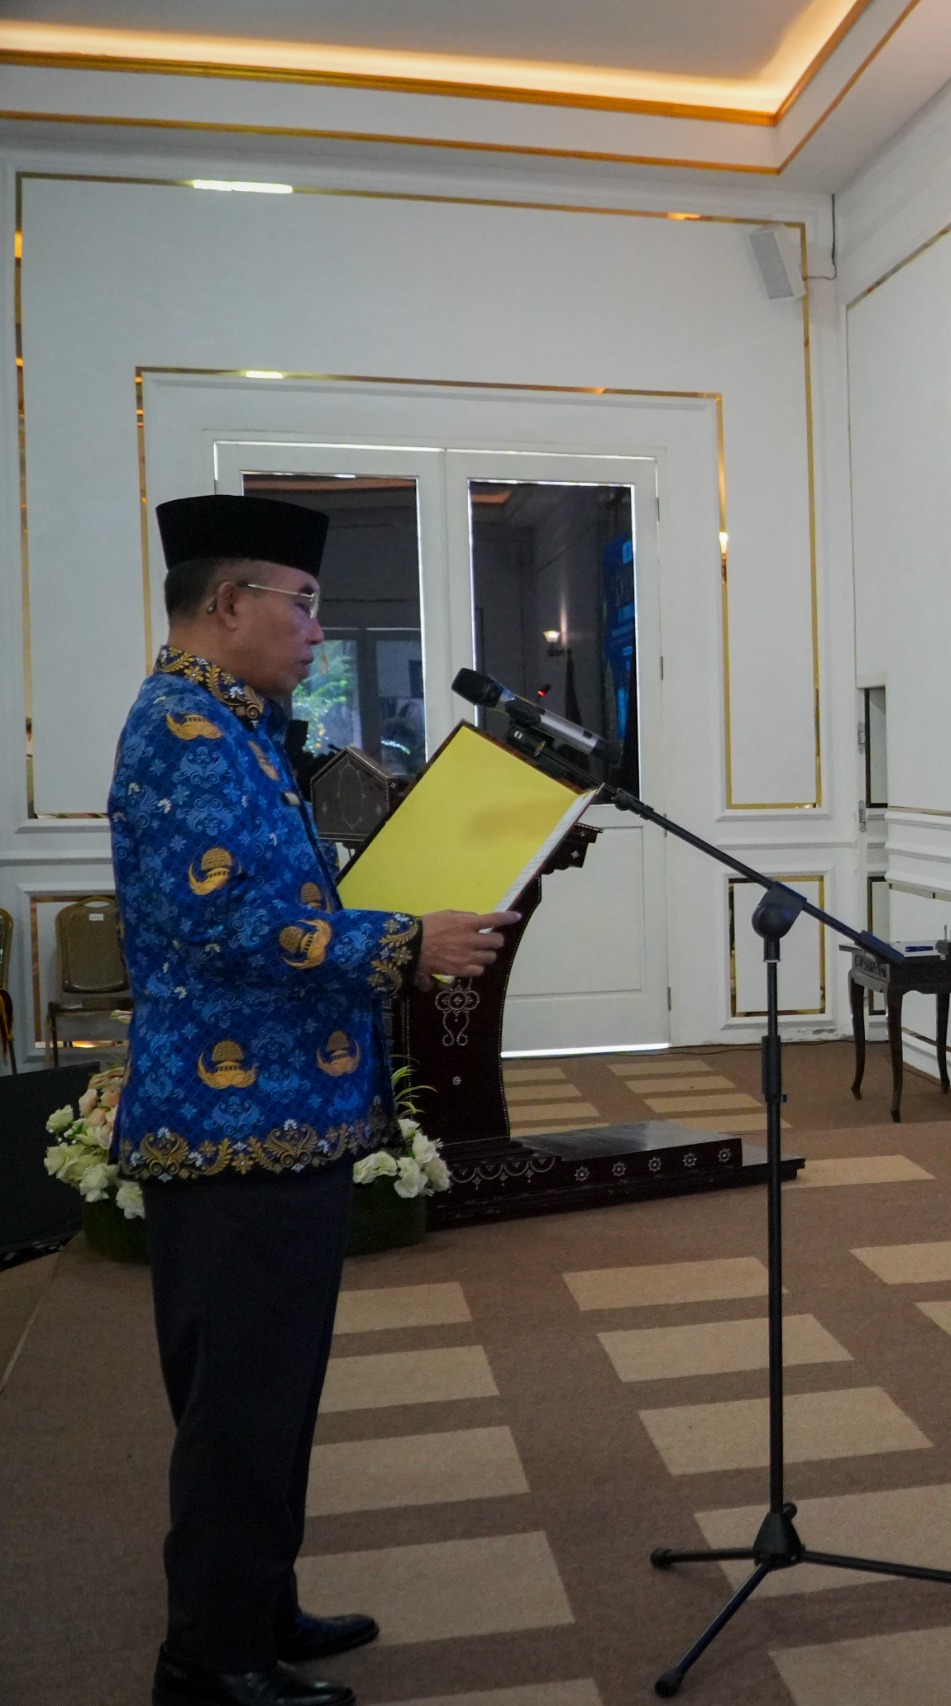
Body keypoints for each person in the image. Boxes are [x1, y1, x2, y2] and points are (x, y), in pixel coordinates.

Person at [113, 494, 516, 1706]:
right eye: (303, 604)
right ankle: (211, 1656)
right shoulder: (184, 730)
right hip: (232, 1129)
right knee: (239, 1404)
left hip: (282, 1117)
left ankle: (257, 1600)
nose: (316, 629)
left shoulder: (234, 724)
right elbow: (230, 926)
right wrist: (403, 941)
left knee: (273, 1392)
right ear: (229, 601)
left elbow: (283, 900)